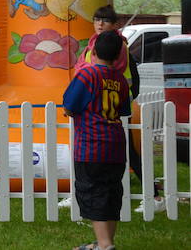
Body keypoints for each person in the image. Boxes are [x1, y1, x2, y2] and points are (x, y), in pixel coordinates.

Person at [63, 30, 131, 250]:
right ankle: (104, 241)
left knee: (94, 193)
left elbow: (70, 105)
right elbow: (123, 109)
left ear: (93, 51)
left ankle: (104, 245)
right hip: (116, 146)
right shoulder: (120, 79)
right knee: (111, 194)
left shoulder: (87, 75)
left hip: (91, 146)